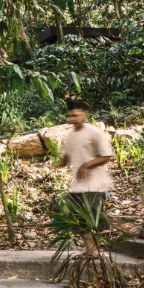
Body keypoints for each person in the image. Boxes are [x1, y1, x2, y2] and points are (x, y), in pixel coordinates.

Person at [55, 100, 114, 256]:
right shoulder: (71, 135)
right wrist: (56, 165)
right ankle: (92, 250)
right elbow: (66, 156)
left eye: (76, 115)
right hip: (78, 185)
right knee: (78, 219)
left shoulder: (93, 132)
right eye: (70, 116)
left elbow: (107, 155)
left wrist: (86, 165)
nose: (73, 118)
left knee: (94, 217)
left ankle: (126, 227)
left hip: (94, 183)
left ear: (83, 114)